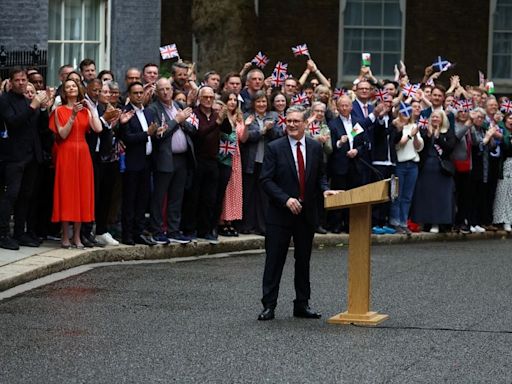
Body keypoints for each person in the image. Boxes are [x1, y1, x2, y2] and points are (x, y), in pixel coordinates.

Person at [257, 105, 338, 321]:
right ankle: (269, 305)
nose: (291, 125)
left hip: (306, 214)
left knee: (303, 261)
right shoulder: (274, 148)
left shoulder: (314, 147)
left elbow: (320, 175)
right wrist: (285, 199)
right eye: (288, 121)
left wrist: (325, 189)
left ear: (305, 123)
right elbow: (265, 180)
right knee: (274, 260)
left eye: (296, 121)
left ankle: (302, 304)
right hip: (280, 214)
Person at [49, 78, 102, 248]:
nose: (71, 88)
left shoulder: (85, 111)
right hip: (67, 152)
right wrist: (72, 116)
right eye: (68, 87)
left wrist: (92, 109)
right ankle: (65, 235)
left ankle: (77, 236)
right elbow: (62, 134)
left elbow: (98, 128)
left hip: (83, 153)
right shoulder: (59, 111)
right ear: (64, 92)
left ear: (78, 90)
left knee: (82, 193)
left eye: (74, 86)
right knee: (66, 192)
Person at [0, 68, 48, 250]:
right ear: (11, 82)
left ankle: (20, 233)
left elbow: (41, 128)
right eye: (18, 80)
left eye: (23, 80)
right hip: (14, 156)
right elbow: (13, 122)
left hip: (31, 156)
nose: (21, 83)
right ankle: (3, 233)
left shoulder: (29, 101)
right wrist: (33, 106)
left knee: (26, 196)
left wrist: (43, 109)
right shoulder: (4, 100)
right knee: (11, 194)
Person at [148, 78, 195, 244]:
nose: (166, 92)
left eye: (168, 89)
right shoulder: (153, 109)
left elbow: (192, 128)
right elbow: (159, 136)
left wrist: (182, 121)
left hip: (182, 158)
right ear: (157, 92)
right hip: (165, 158)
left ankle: (174, 230)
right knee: (160, 196)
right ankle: (157, 230)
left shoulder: (179, 106)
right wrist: (177, 120)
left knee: (177, 196)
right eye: (162, 89)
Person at [118, 81, 160, 246]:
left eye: (141, 92)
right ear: (129, 95)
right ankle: (127, 234)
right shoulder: (126, 113)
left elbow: (152, 133)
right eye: (135, 93)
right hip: (132, 162)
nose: (139, 95)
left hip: (147, 161)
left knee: (143, 199)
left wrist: (156, 132)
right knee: (130, 200)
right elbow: (127, 137)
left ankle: (139, 232)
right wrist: (146, 134)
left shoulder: (148, 112)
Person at [411, 110, 456, 233]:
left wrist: (438, 137)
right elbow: (420, 148)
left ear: (442, 119)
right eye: (433, 117)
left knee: (440, 197)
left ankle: (437, 222)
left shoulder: (448, 132)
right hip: (426, 167)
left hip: (442, 169)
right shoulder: (425, 132)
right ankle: (425, 221)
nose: (435, 119)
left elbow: (449, 148)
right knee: (425, 196)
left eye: (438, 117)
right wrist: (428, 136)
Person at [493, 112, 512, 232]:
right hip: (506, 164)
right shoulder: (501, 130)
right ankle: (503, 220)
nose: (511, 121)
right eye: (510, 118)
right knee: (503, 192)